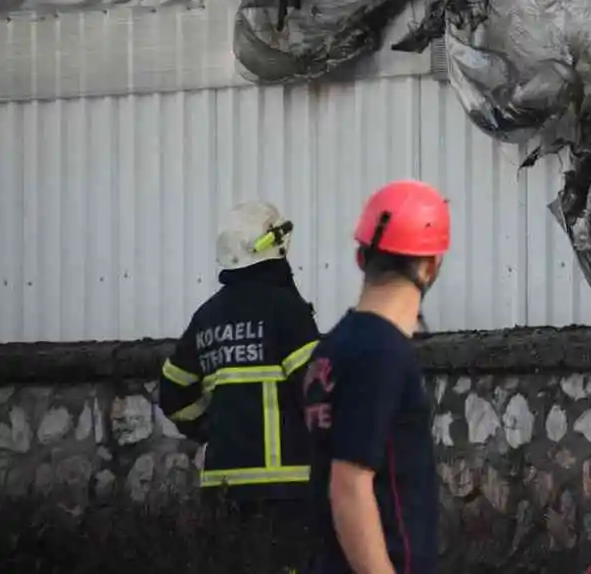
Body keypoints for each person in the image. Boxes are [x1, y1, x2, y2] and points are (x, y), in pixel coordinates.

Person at [158, 201, 320, 572]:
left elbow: (172, 393)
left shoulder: (207, 317)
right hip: (285, 491)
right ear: (268, 245)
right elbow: (317, 391)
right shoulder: (285, 309)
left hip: (223, 489)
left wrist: (209, 428)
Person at [303, 179, 452, 574]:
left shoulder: (332, 347)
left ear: (360, 258)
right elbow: (350, 484)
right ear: (431, 264)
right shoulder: (383, 354)